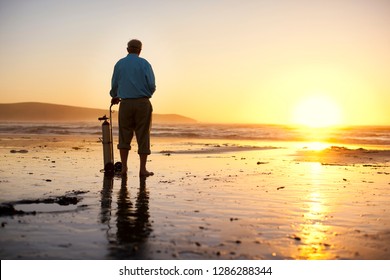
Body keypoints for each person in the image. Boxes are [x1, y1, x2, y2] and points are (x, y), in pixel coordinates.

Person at [110, 39, 156, 177]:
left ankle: (124, 168)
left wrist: (115, 95)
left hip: (125, 103)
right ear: (140, 50)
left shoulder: (120, 63)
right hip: (143, 102)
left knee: (124, 135)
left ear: (127, 49)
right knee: (143, 135)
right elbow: (152, 84)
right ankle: (142, 169)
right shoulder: (145, 63)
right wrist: (147, 94)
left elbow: (114, 84)